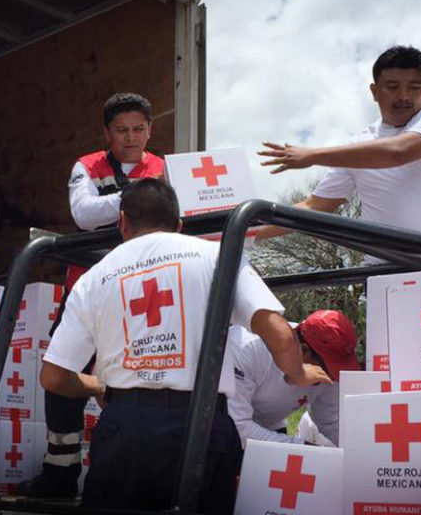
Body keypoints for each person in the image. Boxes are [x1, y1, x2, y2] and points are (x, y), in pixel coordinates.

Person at [40, 179, 331, 513]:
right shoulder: (215, 256)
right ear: (178, 225)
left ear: (122, 221)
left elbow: (54, 377)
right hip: (201, 426)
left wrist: (98, 385)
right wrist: (297, 373)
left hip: (125, 429)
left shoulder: (93, 278)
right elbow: (280, 335)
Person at [18, 92, 164, 498]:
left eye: (138, 129)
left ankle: (137, 476)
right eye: (121, 130)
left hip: (145, 292)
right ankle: (59, 475)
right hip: (88, 286)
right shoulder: (86, 165)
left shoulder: (168, 167)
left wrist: (125, 200)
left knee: (142, 377)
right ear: (106, 133)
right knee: (61, 376)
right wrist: (146, 196)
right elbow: (83, 213)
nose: (131, 137)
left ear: (150, 130)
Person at [256, 46, 421, 250]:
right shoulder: (357, 148)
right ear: (374, 91)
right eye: (393, 87)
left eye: (414, 87)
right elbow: (315, 206)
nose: (403, 96)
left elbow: (398, 152)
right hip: (387, 275)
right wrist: (242, 232)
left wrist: (312, 155)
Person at [228, 309, 360, 448]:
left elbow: (330, 422)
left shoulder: (329, 370)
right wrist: (301, 448)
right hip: (222, 431)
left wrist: (360, 452)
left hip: (271, 428)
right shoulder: (246, 347)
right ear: (303, 351)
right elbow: (237, 426)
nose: (332, 378)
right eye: (329, 369)